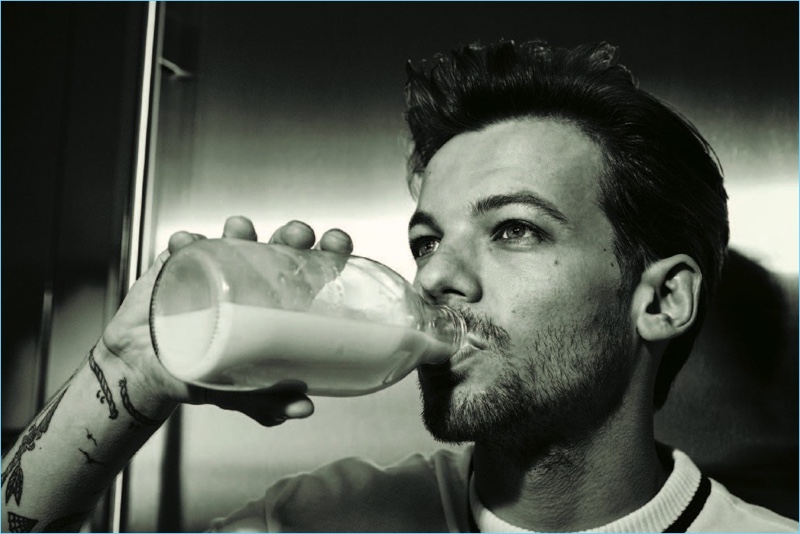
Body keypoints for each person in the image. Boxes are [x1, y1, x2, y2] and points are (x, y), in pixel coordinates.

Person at [2, 39, 796, 533]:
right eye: (426, 241)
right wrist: (126, 374)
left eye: (515, 229)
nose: (436, 275)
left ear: (660, 301)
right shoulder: (317, 522)